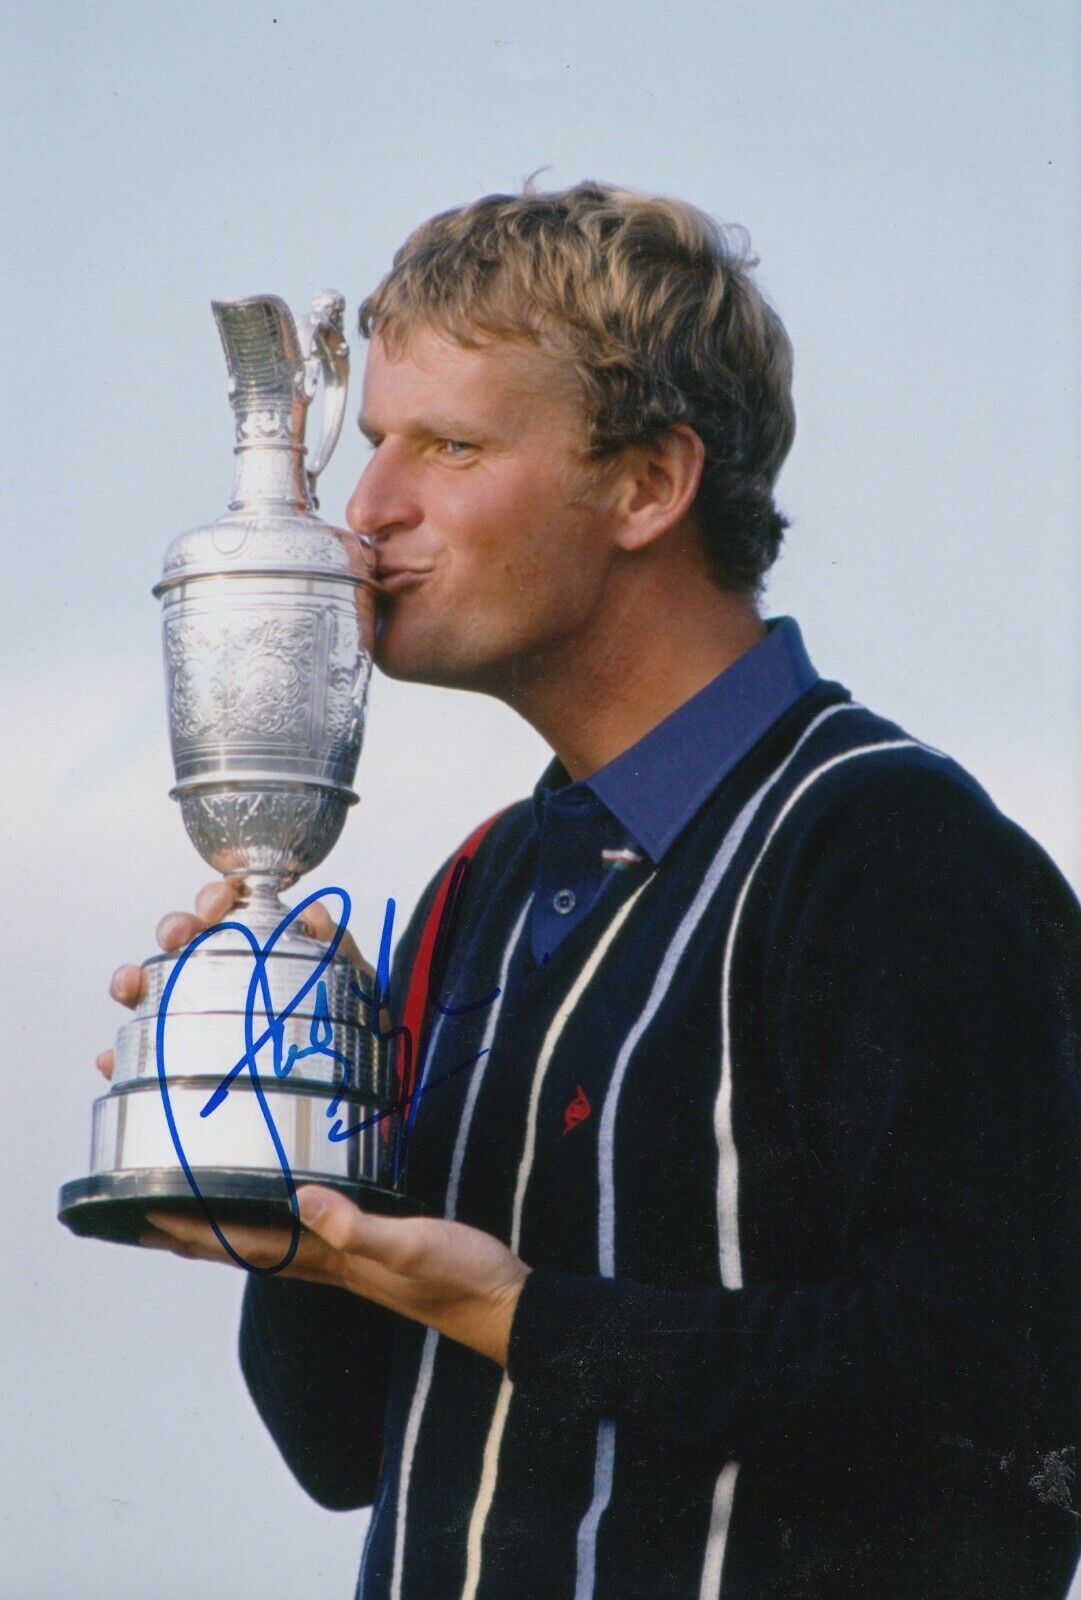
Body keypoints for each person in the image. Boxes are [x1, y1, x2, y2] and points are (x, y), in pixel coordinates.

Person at [101, 183, 1081, 1599]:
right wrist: (301, 1181)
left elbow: (1007, 1409)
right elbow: (341, 1453)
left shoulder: (888, 852)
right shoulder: (477, 891)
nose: (367, 510)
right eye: (374, 441)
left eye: (447, 444)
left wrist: (520, 1315)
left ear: (646, 485)